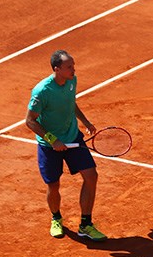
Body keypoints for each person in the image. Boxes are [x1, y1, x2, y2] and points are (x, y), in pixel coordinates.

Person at [25, 50, 107, 242]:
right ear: (57, 69)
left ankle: (85, 225)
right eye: (69, 66)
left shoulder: (71, 81)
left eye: (73, 65)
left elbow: (71, 103)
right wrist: (53, 140)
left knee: (91, 175)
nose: (73, 69)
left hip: (72, 137)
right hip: (49, 145)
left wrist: (86, 122)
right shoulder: (42, 91)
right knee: (53, 185)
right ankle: (56, 219)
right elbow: (30, 121)